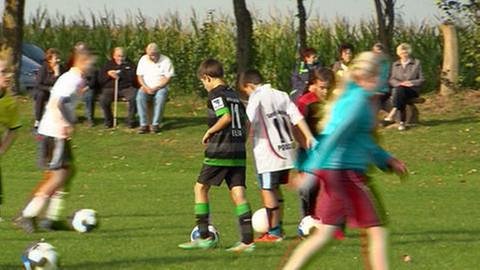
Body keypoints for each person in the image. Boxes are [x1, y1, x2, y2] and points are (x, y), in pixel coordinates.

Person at [283, 52, 408, 270]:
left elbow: (362, 141)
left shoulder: (356, 98)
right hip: (345, 174)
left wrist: (386, 159)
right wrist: (310, 174)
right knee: (377, 229)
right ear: (365, 77)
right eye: (379, 75)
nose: (382, 80)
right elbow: (335, 137)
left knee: (325, 234)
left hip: (337, 173)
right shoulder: (357, 101)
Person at [14, 47, 95, 233]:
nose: (92, 64)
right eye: (90, 61)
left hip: (56, 131)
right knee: (57, 175)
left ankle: (52, 218)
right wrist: (70, 122)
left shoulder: (75, 77)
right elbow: (61, 102)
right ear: (80, 60)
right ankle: (28, 215)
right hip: (54, 132)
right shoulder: (72, 78)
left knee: (67, 171)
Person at [178, 59, 254, 253]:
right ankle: (247, 242)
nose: (204, 86)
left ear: (207, 77)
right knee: (238, 193)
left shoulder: (215, 94)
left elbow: (225, 116)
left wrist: (210, 131)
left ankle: (203, 237)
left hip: (220, 149)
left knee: (200, 188)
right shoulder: (234, 94)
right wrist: (241, 141)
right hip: (238, 151)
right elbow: (246, 122)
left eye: (203, 82)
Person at [238, 69, 315, 242]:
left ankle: (274, 232)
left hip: (268, 154)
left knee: (267, 190)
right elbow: (296, 117)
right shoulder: (281, 95)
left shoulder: (256, 96)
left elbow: (248, 119)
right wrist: (308, 136)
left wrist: (240, 142)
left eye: (246, 91)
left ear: (249, 86)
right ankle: (278, 227)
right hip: (286, 151)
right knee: (276, 189)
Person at [295, 68, 335, 219]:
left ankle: (331, 223)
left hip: (329, 152)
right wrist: (307, 147)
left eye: (328, 88)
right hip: (308, 152)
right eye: (322, 87)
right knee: (309, 188)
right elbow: (296, 126)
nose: (325, 91)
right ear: (314, 85)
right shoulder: (305, 102)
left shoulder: (334, 103)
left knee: (332, 188)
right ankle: (307, 221)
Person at [384, 43, 425, 131]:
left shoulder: (416, 63)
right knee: (400, 91)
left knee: (399, 92)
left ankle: (394, 112)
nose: (404, 55)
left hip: (412, 89)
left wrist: (411, 82)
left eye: (406, 52)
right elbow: (391, 79)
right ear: (398, 53)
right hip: (399, 89)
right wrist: (400, 84)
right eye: (402, 53)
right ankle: (402, 123)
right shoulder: (395, 64)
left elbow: (422, 79)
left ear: (409, 52)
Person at [0, 58, 22, 221]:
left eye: (9, 71)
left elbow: (13, 128)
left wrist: (2, 149)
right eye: (3, 72)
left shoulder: (9, 101)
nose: (8, 75)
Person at [136, 43, 174, 134]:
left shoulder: (166, 60)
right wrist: (145, 87)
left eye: (154, 55)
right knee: (139, 97)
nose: (152, 57)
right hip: (146, 87)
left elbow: (168, 77)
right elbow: (139, 76)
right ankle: (143, 124)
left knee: (160, 97)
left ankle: (155, 124)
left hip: (161, 87)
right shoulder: (143, 60)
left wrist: (158, 87)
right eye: (150, 55)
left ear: (158, 53)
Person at [98, 47, 138, 128]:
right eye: (118, 56)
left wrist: (121, 74)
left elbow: (133, 77)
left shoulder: (130, 64)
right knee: (103, 99)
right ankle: (109, 121)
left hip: (126, 88)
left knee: (134, 97)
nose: (121, 58)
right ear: (114, 56)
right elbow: (100, 79)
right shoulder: (108, 64)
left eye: (122, 56)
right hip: (110, 88)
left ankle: (130, 121)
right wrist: (108, 74)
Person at [67, 42, 99, 127]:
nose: (79, 52)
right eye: (77, 50)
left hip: (88, 87)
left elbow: (93, 81)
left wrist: (85, 88)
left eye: (82, 50)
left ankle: (89, 120)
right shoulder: (71, 62)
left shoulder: (90, 64)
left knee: (89, 96)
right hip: (74, 87)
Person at [34, 48, 65, 131]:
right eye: (56, 58)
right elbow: (38, 84)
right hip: (44, 91)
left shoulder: (61, 69)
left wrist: (57, 74)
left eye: (59, 58)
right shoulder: (43, 68)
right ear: (50, 60)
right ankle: (38, 120)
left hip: (57, 92)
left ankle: (60, 119)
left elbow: (62, 82)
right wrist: (49, 88)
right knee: (40, 95)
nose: (58, 60)